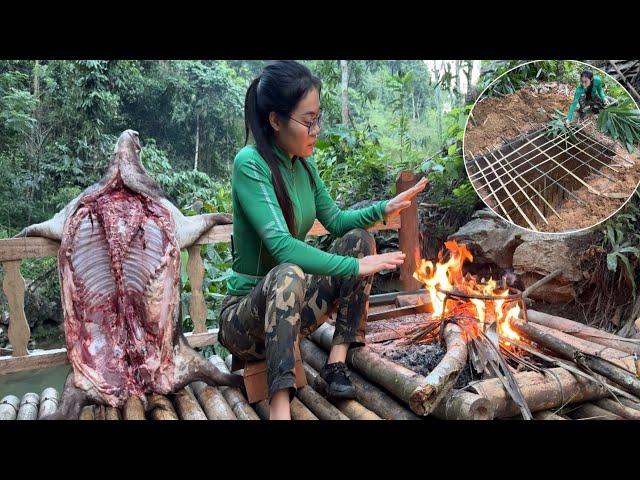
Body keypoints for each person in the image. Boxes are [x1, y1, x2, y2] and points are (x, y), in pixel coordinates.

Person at [217, 60, 427, 420]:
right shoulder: (250, 164)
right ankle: (281, 408)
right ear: (275, 120)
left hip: (289, 310)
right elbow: (281, 246)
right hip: (244, 320)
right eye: (307, 121)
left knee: (359, 240)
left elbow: (335, 220)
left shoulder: (304, 163)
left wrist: (384, 208)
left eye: (319, 118)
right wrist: (354, 267)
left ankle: (336, 363)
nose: (316, 130)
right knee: (288, 273)